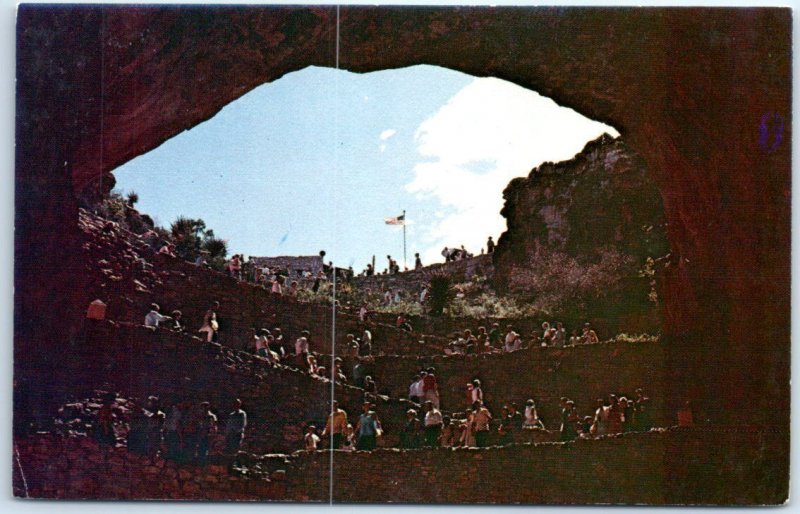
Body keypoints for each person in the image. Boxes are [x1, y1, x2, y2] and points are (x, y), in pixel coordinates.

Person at [195, 401, 217, 466]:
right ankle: (199, 464)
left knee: (206, 450)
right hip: (200, 434)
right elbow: (198, 425)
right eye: (202, 407)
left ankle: (205, 464)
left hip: (208, 435)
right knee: (199, 449)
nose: (203, 409)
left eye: (204, 407)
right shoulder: (200, 416)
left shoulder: (212, 416)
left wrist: (212, 434)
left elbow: (214, 426)